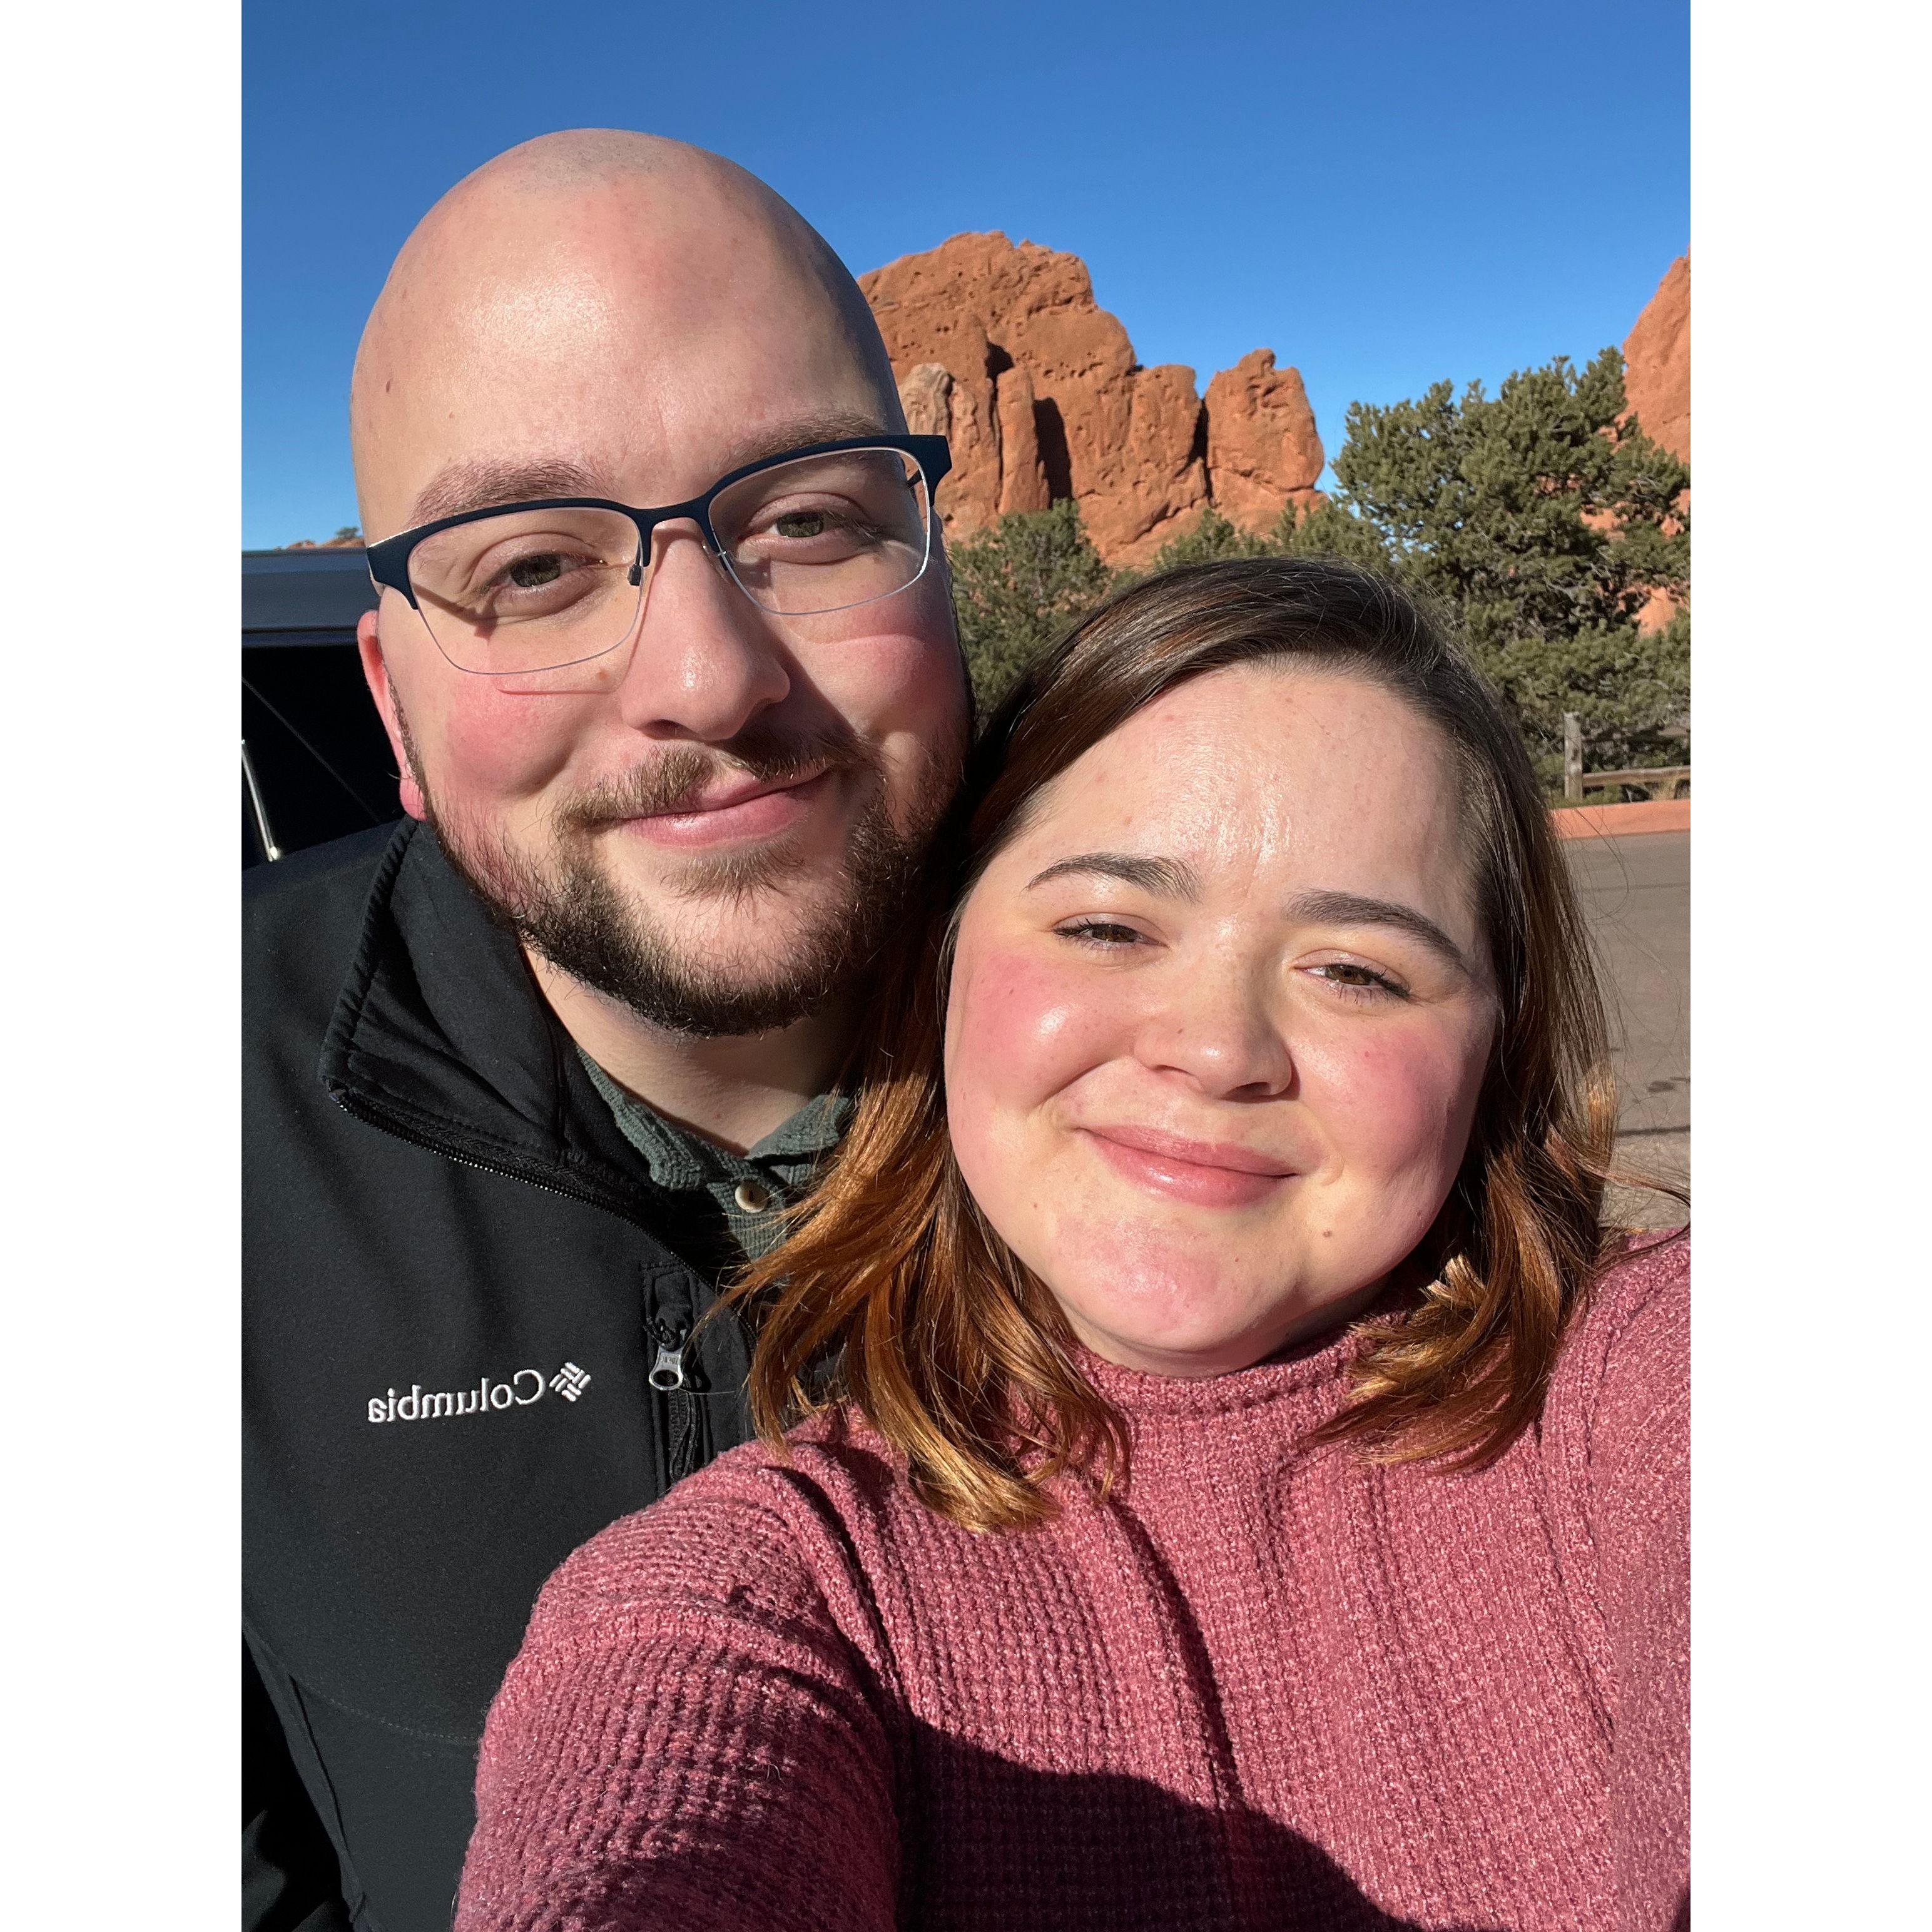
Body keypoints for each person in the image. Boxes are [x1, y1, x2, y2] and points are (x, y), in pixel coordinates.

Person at [456, 558, 1690, 1932]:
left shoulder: (1635, 1395)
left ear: (1490, 1048)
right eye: (1108, 924)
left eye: (1356, 968)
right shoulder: (779, 1586)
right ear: (941, 963)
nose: (1216, 1048)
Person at [243, 129, 970, 1932]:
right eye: (537, 570)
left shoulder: (1225, 1059)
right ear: (393, 709)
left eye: (805, 518)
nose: (710, 678)